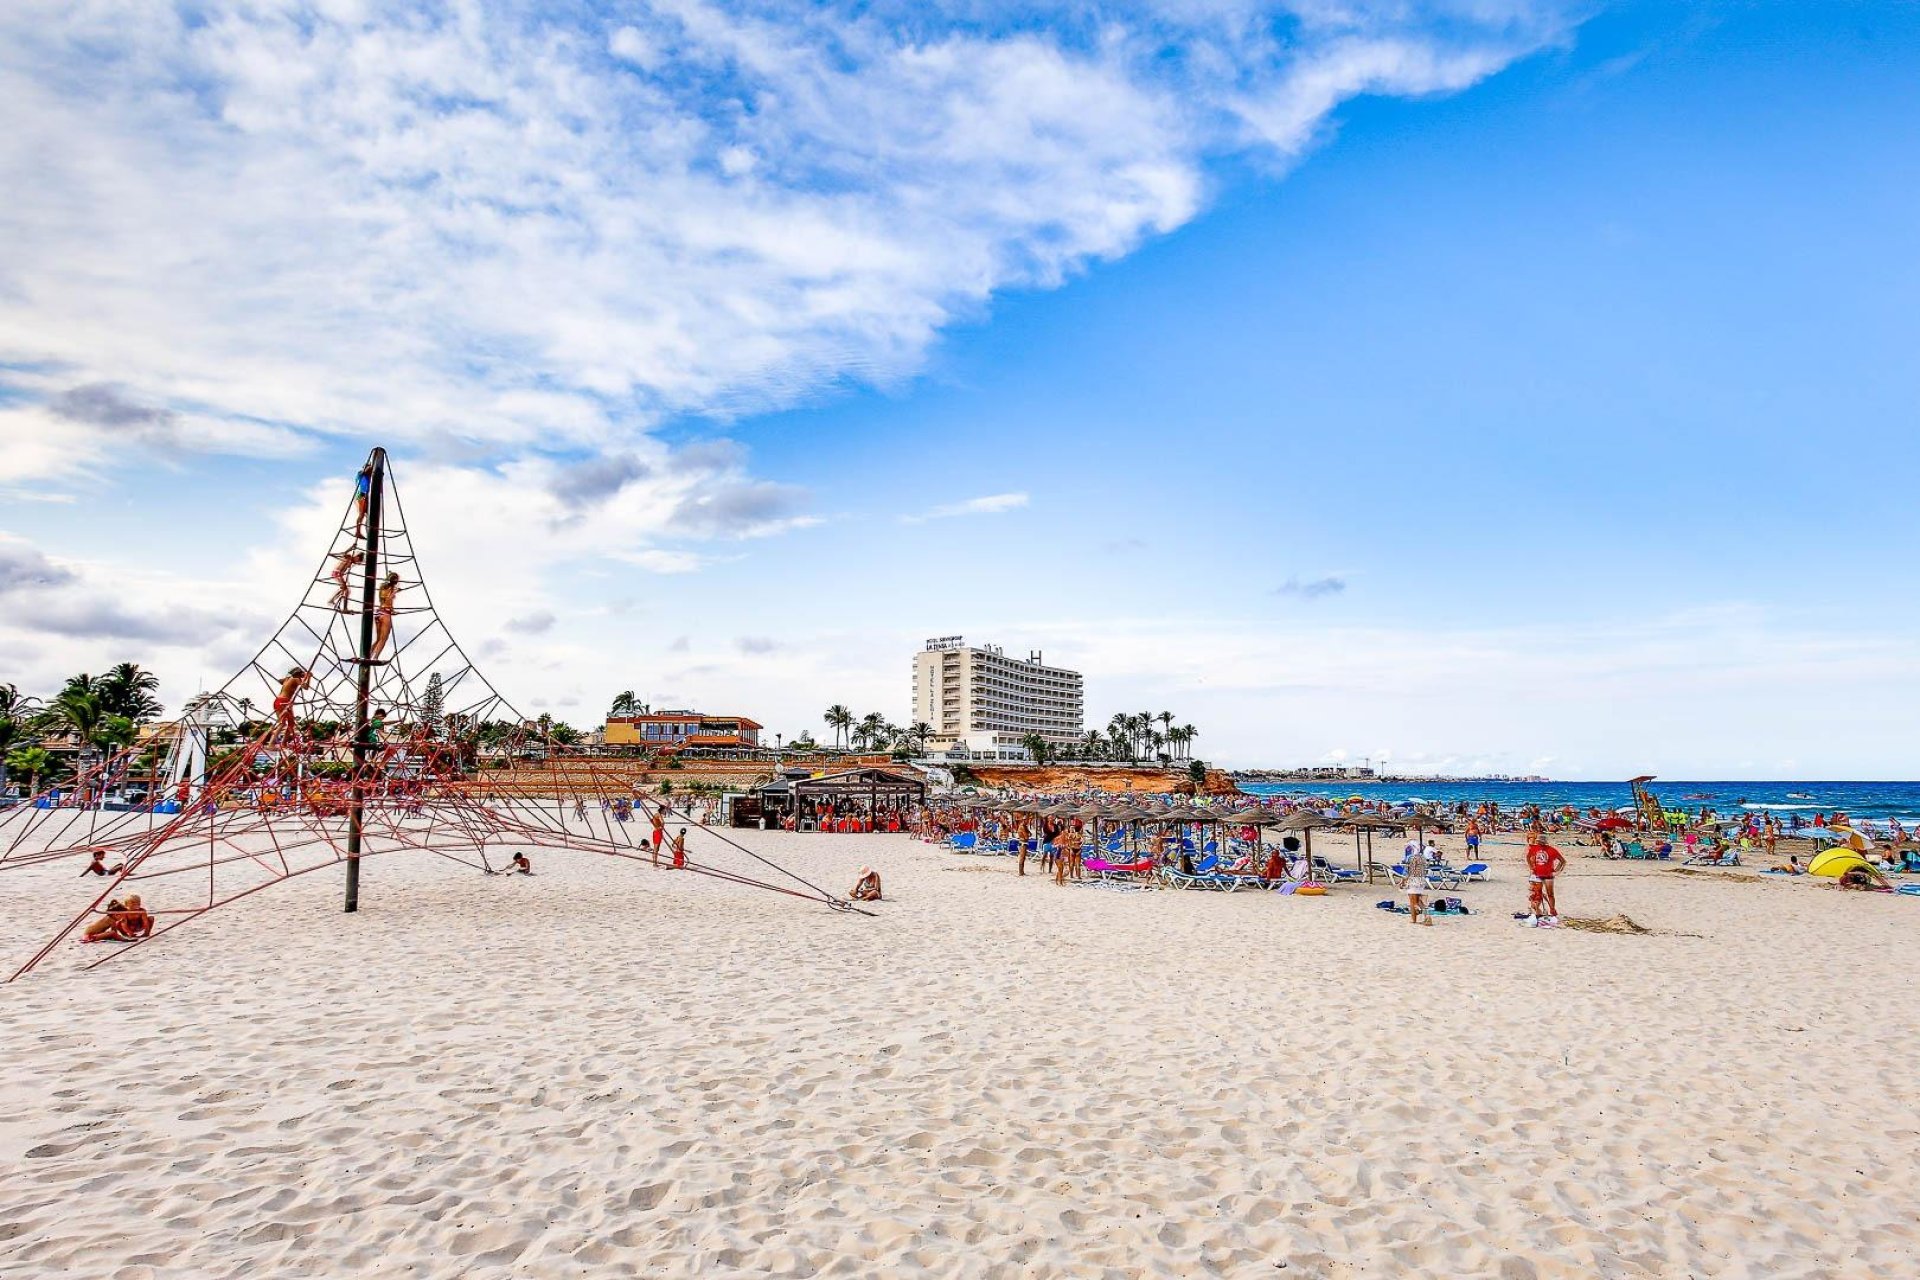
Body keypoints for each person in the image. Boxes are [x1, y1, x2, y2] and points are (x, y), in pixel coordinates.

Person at [1526, 839, 1566, 925]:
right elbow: (1528, 857)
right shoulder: (1534, 848)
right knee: (1537, 894)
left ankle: (1552, 910)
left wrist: (1557, 871)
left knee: (1550, 894)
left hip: (1548, 875)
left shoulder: (1552, 850)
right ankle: (1538, 910)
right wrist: (1531, 867)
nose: (1539, 843)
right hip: (1537, 874)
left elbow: (1563, 861)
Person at [370, 572, 401, 660]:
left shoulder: (383, 587)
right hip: (385, 614)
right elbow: (388, 600)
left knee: (378, 639)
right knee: (383, 639)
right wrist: (394, 592)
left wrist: (393, 611)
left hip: (379, 612)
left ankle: (369, 655)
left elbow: (386, 601)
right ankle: (375, 657)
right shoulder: (391, 589)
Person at [273, 667, 310, 735]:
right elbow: (306, 687)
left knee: (286, 723)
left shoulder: (287, 679)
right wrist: (309, 677)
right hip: (284, 701)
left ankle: (281, 740)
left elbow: (280, 681)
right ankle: (273, 738)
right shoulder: (296, 679)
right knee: (285, 723)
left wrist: (288, 677)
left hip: (277, 701)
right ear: (299, 674)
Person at [1403, 839, 1432, 925]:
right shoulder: (1422, 857)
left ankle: (1414, 919)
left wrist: (1404, 881)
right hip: (1421, 880)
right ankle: (1426, 915)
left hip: (1413, 880)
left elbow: (1409, 871)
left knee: (1413, 901)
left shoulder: (1411, 858)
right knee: (1418, 900)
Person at [351, 462, 373, 541]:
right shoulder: (360, 473)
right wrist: (371, 466)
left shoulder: (368, 477)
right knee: (361, 514)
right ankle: (357, 532)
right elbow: (367, 470)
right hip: (360, 495)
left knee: (368, 515)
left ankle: (368, 532)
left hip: (365, 496)